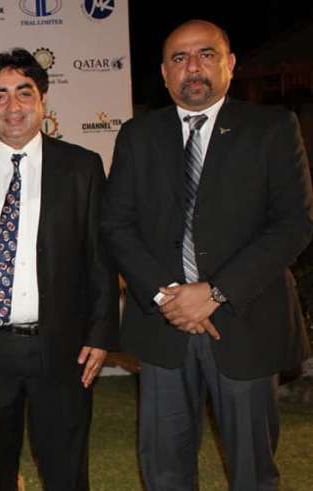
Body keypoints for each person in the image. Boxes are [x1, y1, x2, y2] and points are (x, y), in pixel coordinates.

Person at [102, 19, 313, 491]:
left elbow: (293, 224)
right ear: (164, 73)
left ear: (230, 64)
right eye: (179, 58)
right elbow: (116, 226)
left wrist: (214, 293)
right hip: (164, 327)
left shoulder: (273, 128)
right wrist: (168, 298)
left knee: (253, 471)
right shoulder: (138, 135)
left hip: (247, 323)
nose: (193, 67)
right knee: (165, 470)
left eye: (206, 54)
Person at [0, 48, 119, 490]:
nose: (12, 106)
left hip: (64, 349)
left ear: (43, 101)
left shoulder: (82, 167)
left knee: (66, 473)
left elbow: (100, 257)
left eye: (24, 92)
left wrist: (100, 334)